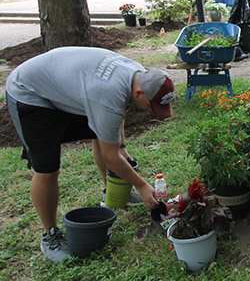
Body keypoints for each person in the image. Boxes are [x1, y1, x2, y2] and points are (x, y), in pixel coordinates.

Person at [5, 48, 174, 262]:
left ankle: (111, 193)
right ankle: (49, 235)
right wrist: (141, 185)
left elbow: (115, 116)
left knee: (102, 135)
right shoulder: (108, 93)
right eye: (152, 106)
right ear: (139, 94)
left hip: (65, 87)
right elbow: (111, 154)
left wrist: (121, 145)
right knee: (47, 168)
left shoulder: (138, 74)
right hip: (30, 93)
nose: (152, 111)